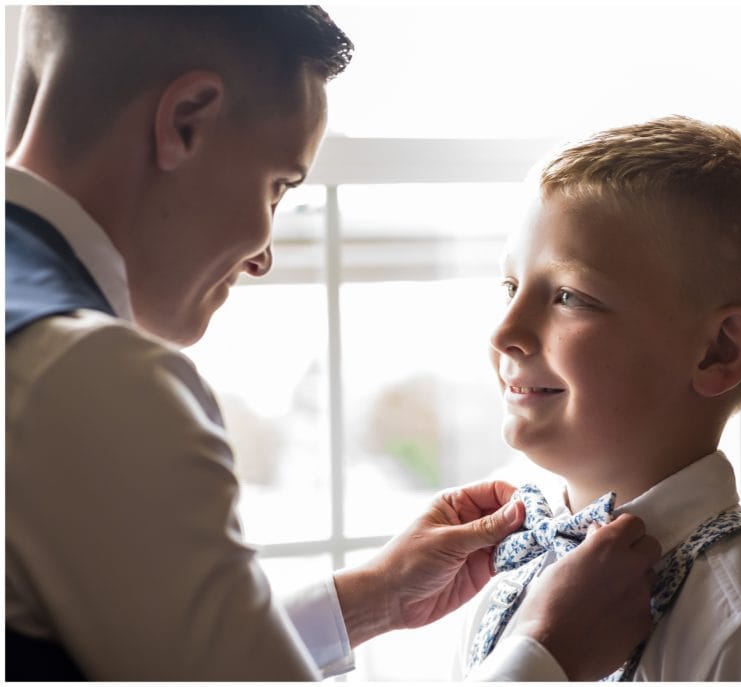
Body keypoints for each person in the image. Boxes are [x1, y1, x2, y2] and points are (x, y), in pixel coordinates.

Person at [4, 6, 661, 681]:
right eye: (278, 185)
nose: (262, 255)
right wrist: (546, 654)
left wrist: (371, 599)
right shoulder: (88, 376)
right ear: (185, 120)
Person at [457, 115, 741, 680]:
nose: (504, 332)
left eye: (570, 296)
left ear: (718, 350)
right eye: (510, 288)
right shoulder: (513, 580)